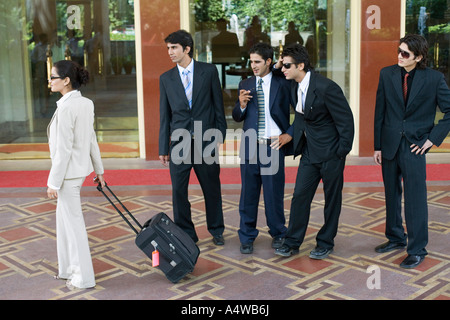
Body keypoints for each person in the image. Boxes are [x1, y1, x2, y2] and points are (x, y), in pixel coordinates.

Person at [373, 34, 450, 269]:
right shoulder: (387, 74)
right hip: (389, 144)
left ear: (418, 56)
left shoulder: (435, 79)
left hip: (416, 146)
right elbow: (380, 111)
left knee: (415, 199)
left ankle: (417, 249)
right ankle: (395, 238)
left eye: (405, 53)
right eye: (399, 50)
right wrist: (377, 145)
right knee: (391, 194)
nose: (399, 56)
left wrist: (431, 140)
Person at [274, 43, 354, 259]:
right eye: (283, 65)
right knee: (300, 196)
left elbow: (346, 120)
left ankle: (325, 242)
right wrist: (281, 60)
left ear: (301, 65)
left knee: (331, 200)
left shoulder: (327, 87)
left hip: (331, 153)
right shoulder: (293, 84)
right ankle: (292, 241)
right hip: (309, 152)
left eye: (287, 65)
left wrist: (341, 151)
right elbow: (275, 72)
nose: (283, 69)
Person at [159, 30, 227, 245]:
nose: (170, 52)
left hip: (205, 139)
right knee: (179, 191)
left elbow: (218, 105)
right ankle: (187, 233)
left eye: (174, 48)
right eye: (168, 48)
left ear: (186, 49)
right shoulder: (166, 78)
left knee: (211, 188)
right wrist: (164, 147)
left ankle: (216, 230)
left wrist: (220, 133)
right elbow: (165, 115)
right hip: (179, 143)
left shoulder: (208, 71)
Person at [47, 60, 105, 289]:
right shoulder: (85, 103)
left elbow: (64, 149)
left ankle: (83, 278)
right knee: (64, 223)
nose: (50, 81)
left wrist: (53, 182)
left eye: (53, 77)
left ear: (66, 80)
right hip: (76, 172)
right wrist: (99, 170)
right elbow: (91, 138)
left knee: (73, 225)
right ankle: (68, 269)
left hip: (68, 175)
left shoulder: (67, 107)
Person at [232, 42, 292, 254]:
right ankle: (247, 235)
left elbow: (300, 111)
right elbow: (237, 117)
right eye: (251, 62)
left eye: (257, 62)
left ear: (268, 61)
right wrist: (240, 104)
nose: (253, 66)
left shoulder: (282, 83)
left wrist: (289, 134)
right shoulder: (245, 82)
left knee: (273, 194)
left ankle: (278, 233)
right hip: (250, 145)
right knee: (248, 193)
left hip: (273, 146)